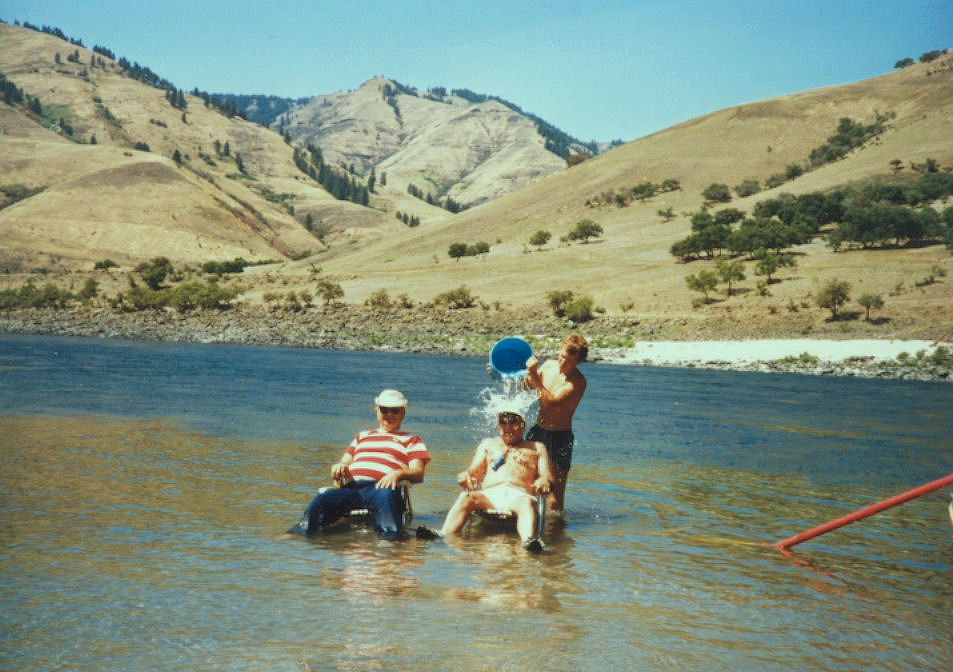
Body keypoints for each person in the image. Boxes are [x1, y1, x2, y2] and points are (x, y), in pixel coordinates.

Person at [287, 389, 430, 541]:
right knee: (323, 498)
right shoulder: (362, 436)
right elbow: (344, 462)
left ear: (403, 413)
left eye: (395, 411)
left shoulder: (412, 439)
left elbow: (418, 473)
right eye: (384, 410)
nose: (389, 414)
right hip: (352, 487)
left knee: (386, 497)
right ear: (376, 411)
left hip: (382, 487)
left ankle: (390, 541)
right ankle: (299, 533)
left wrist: (398, 474)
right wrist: (339, 467)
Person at [418, 407, 551, 552]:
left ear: (522, 425)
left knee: (526, 503)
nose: (507, 427)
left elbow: (547, 476)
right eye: (503, 422)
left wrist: (544, 481)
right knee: (466, 497)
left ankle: (528, 541)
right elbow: (473, 471)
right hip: (490, 494)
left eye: (513, 422)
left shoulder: (536, 447)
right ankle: (444, 535)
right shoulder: (489, 444)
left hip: (519, 495)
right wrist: (465, 476)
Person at [522, 334, 588, 514]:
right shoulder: (550, 365)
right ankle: (527, 527)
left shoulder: (578, 382)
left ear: (579, 362)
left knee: (554, 499)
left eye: (568, 361)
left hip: (560, 438)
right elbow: (529, 384)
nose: (562, 363)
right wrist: (502, 372)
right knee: (526, 484)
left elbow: (549, 402)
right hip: (538, 432)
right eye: (561, 356)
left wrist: (534, 374)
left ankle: (556, 535)